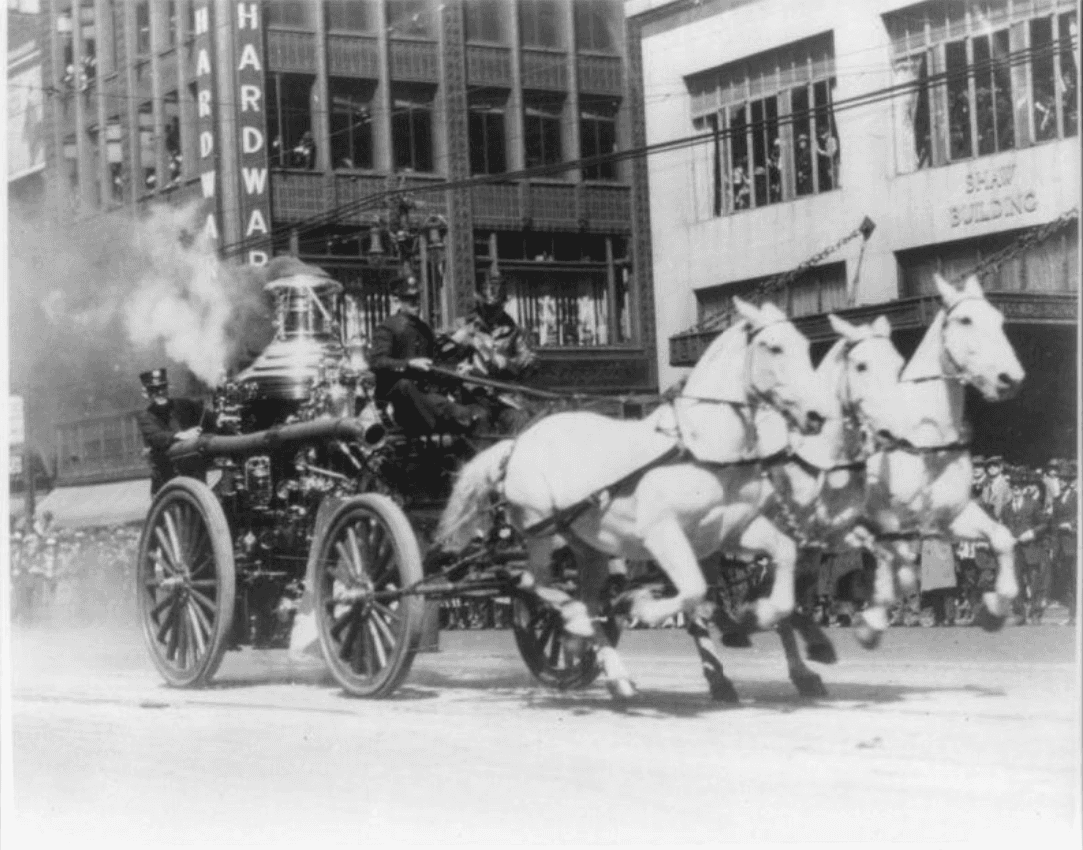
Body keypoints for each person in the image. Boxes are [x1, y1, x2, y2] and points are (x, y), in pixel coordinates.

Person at [370, 274, 483, 437]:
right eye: (409, 298)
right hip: (399, 402)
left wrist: (455, 372)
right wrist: (409, 364)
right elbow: (377, 362)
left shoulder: (425, 330)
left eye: (417, 298)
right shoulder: (388, 327)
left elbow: (434, 366)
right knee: (405, 385)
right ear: (398, 300)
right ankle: (438, 429)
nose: (415, 303)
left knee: (471, 414)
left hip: (425, 397)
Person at [444, 272, 536, 434]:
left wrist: (507, 363)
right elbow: (443, 355)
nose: (492, 314)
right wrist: (460, 355)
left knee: (520, 419)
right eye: (488, 308)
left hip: (503, 397)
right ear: (479, 303)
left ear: (504, 304)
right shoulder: (463, 325)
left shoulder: (514, 330)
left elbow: (530, 362)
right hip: (471, 397)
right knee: (480, 418)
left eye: (497, 308)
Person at [136, 368, 217, 496]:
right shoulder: (145, 416)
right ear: (146, 393)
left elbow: (207, 417)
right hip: (167, 478)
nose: (160, 392)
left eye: (162, 387)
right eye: (154, 390)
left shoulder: (184, 405)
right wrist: (180, 435)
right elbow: (156, 437)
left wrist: (217, 419)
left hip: (194, 470)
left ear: (168, 387)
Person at [1001, 471, 1050, 625]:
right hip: (1014, 551)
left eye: (1019, 487)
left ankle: (1035, 613)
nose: (1016, 489)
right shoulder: (1006, 508)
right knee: (1016, 582)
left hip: (1031, 548)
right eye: (1013, 487)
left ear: (1023, 489)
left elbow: (1044, 524)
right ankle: (1019, 614)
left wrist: (1031, 533)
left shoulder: (1033, 504)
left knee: (1034, 581)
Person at [1050, 459, 1078, 626]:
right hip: (1061, 545)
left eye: (1064, 479)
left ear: (1069, 481)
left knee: (1075, 579)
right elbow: (1054, 523)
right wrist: (1054, 545)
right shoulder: (1057, 499)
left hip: (1074, 543)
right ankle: (1072, 615)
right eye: (1059, 479)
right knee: (1067, 579)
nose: (1060, 481)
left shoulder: (1076, 497)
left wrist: (1072, 525)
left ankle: (1075, 614)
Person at [981, 456, 1011, 521]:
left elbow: (1009, 506)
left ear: (1001, 468)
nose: (991, 467)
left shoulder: (1007, 485)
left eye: (995, 465)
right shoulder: (986, 486)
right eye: (989, 466)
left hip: (1001, 523)